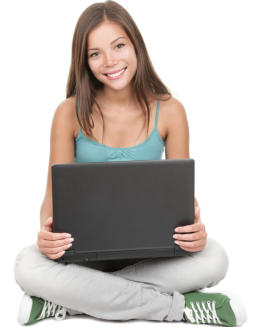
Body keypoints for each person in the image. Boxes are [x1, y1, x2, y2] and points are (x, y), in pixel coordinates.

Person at [14, 1, 247, 326]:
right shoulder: (68, 113)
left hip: (150, 256)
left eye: (119, 45)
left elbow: (180, 197)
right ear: (85, 61)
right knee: (27, 263)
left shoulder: (171, 111)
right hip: (86, 259)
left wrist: (194, 227)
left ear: (136, 45)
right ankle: (179, 309)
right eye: (95, 53)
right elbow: (50, 204)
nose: (110, 61)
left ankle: (69, 303)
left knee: (215, 257)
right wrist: (47, 233)